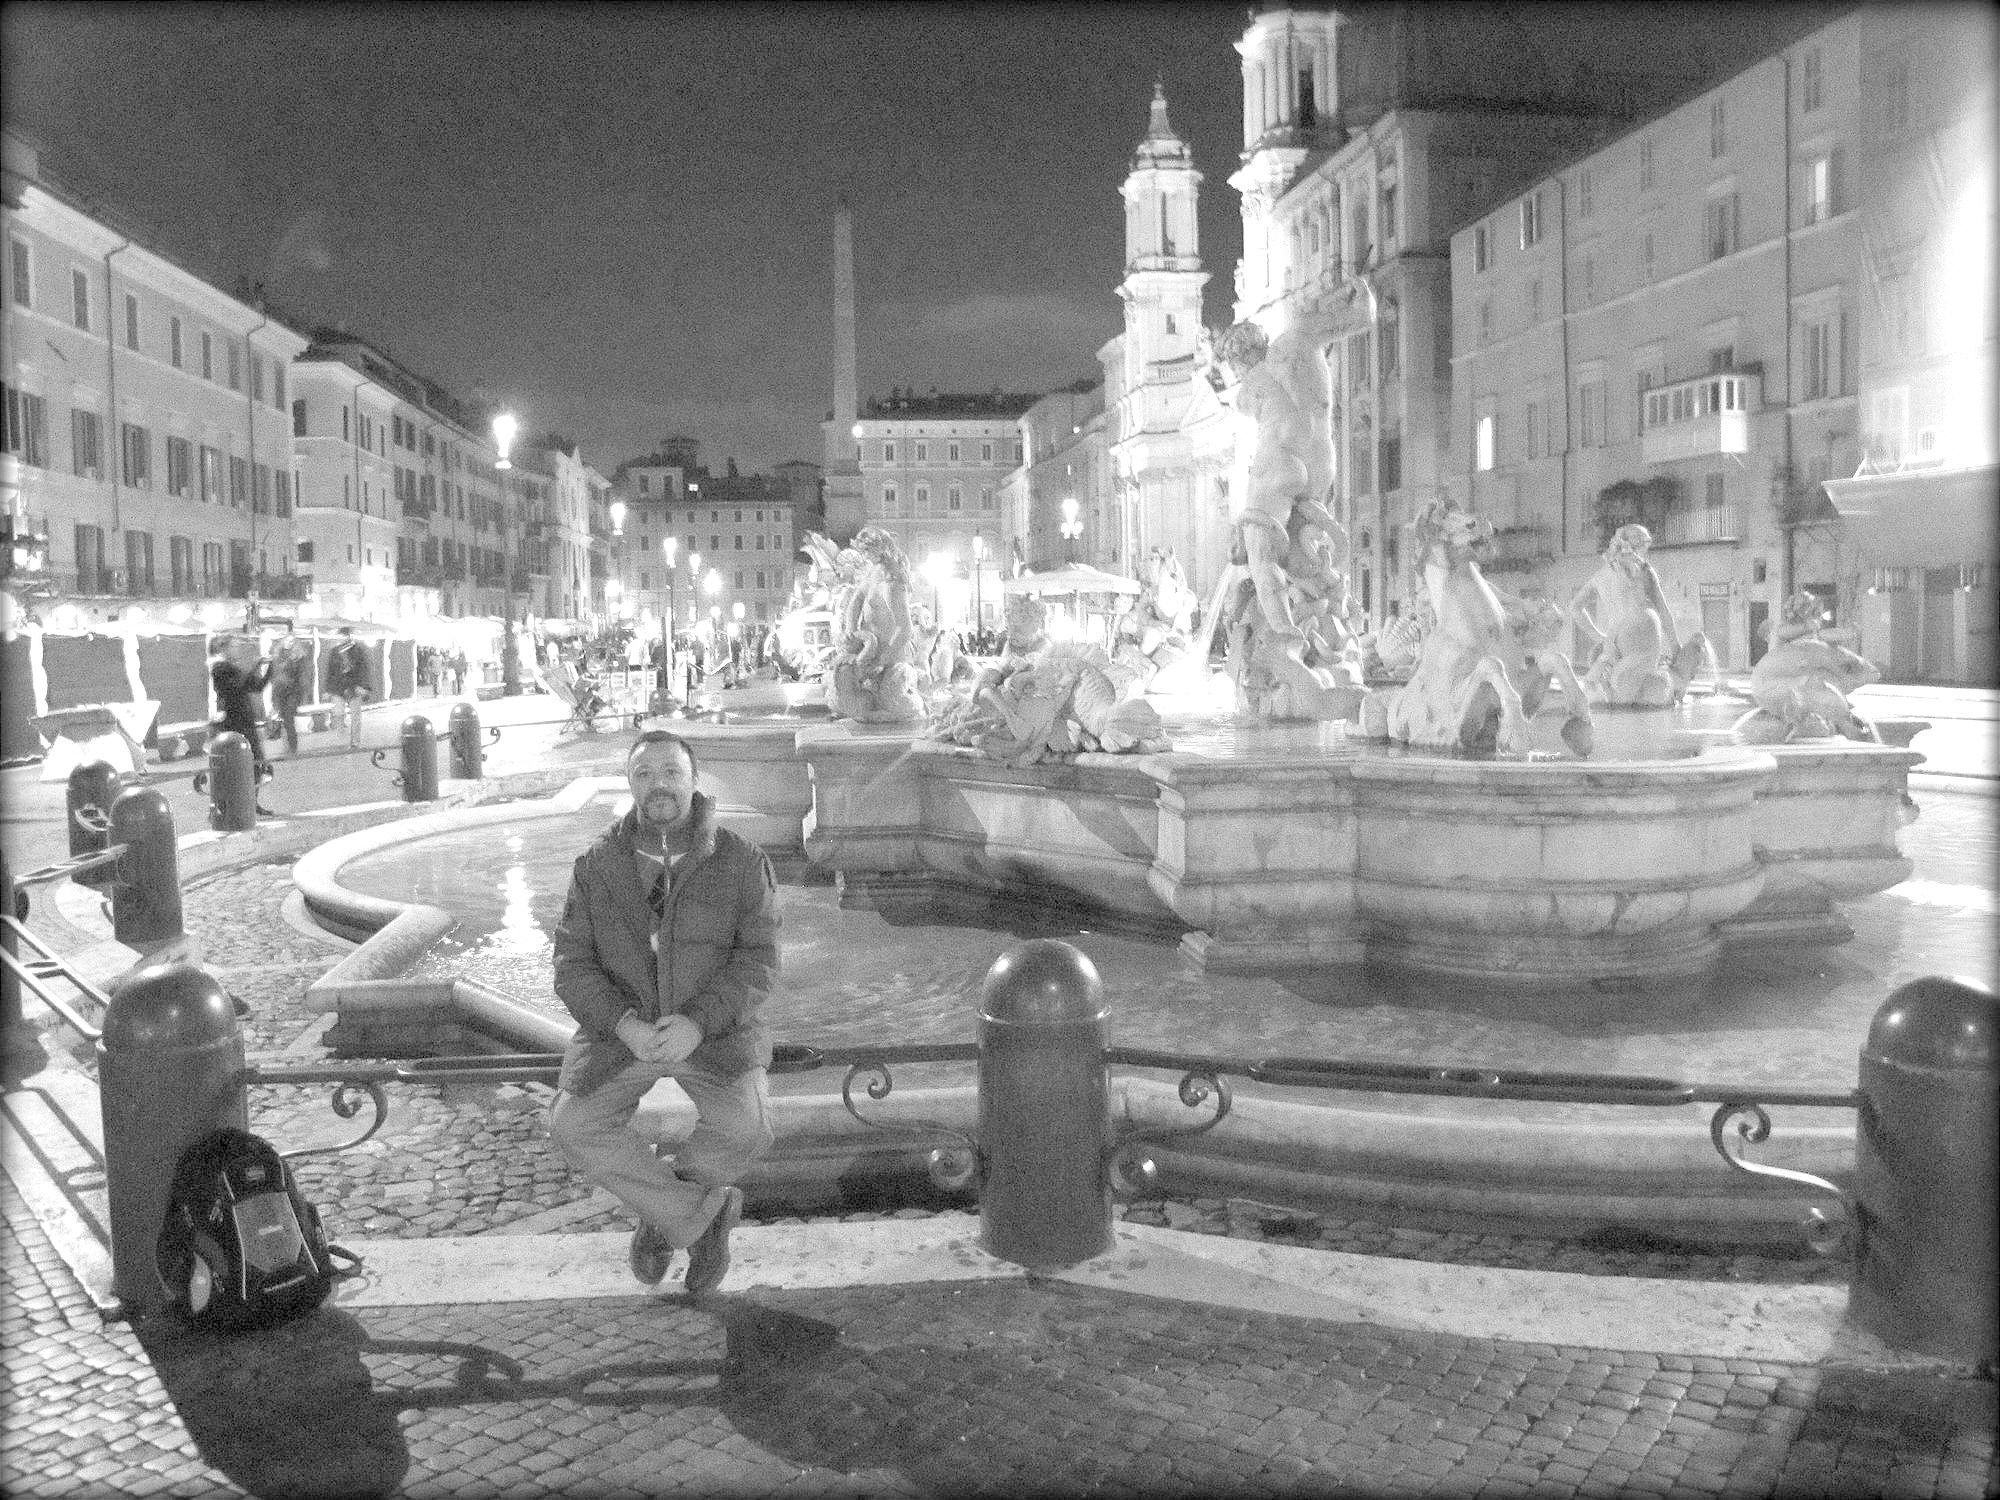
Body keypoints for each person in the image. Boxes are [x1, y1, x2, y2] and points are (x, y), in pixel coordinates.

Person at [548, 730, 777, 1295]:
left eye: (671, 772)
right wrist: (623, 1024)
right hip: (624, 1035)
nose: (659, 785)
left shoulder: (742, 861)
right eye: (645, 774)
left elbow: (760, 962)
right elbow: (572, 967)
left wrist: (698, 1022)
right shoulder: (596, 867)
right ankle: (700, 1221)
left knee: (749, 1127)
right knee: (571, 1125)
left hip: (713, 1033)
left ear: (694, 782)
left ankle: (663, 1213)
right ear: (629, 785)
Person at [209, 633, 275, 811]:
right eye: (234, 646)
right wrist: (255, 667)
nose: (237, 649)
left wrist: (270, 667)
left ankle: (252, 803)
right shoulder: (220, 669)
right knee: (237, 767)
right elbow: (239, 686)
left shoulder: (235, 669)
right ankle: (236, 805)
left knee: (258, 764)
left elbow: (257, 686)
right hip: (234, 724)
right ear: (224, 649)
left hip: (247, 721)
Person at [269, 625, 311, 754]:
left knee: (288, 718)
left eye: (292, 641)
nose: (289, 643)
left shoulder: (299, 658)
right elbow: (274, 676)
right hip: (280, 691)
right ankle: (287, 745)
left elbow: (302, 677)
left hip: (293, 691)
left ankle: (292, 747)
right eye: (287, 640)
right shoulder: (277, 656)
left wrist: (303, 693)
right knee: (284, 718)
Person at [327, 626, 371, 748]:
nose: (342, 638)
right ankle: (342, 738)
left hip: (354, 686)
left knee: (356, 715)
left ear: (349, 636)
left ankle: (355, 742)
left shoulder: (357, 650)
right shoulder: (334, 652)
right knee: (338, 713)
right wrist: (328, 690)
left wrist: (364, 686)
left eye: (344, 636)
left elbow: (364, 670)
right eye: (340, 636)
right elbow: (330, 672)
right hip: (338, 687)